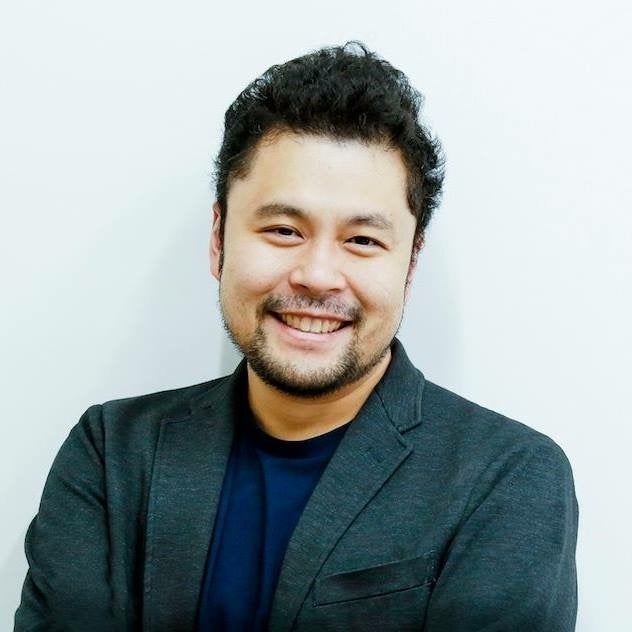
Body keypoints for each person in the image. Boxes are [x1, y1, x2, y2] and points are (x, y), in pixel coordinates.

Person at [14, 42, 578, 631]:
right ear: (219, 239)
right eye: (284, 230)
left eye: (362, 240)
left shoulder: (508, 477)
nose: (317, 275)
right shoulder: (113, 452)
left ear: (410, 264)